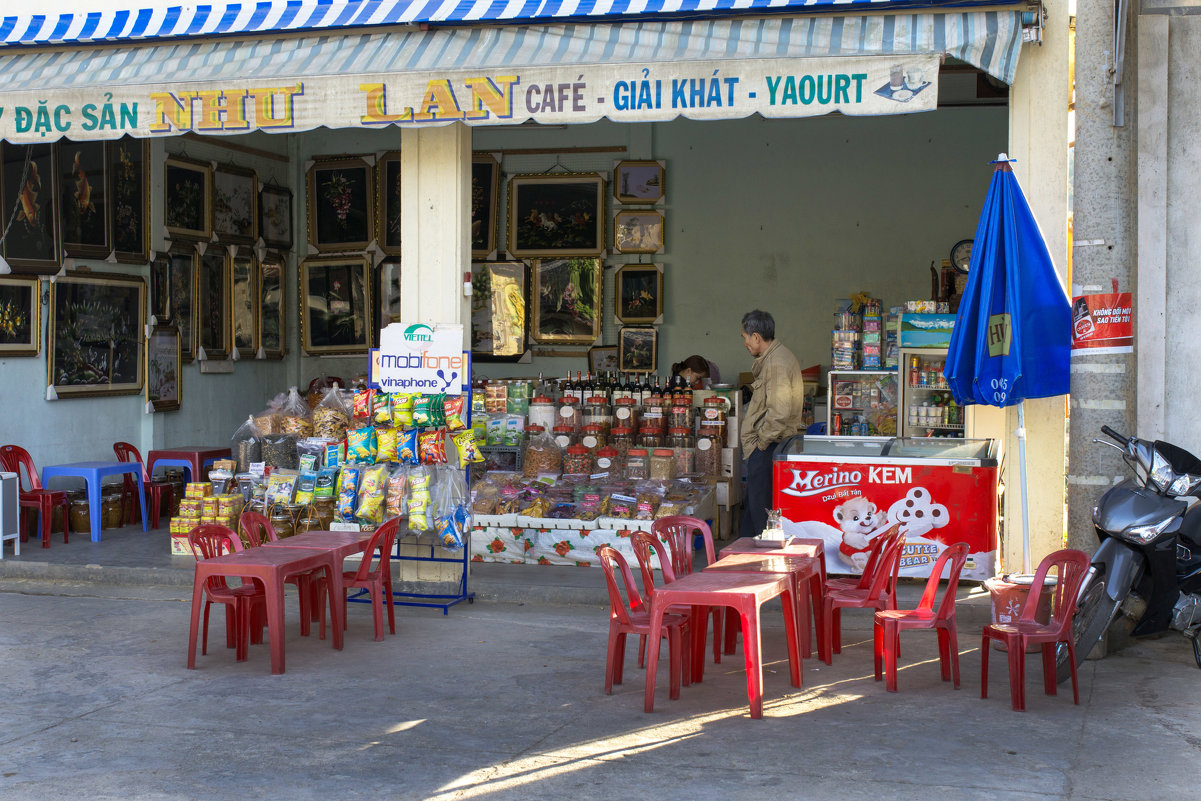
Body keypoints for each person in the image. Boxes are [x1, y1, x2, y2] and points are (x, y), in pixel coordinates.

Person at [738, 310, 806, 538]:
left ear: (756, 337)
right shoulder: (774, 359)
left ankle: (760, 562)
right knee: (753, 508)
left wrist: (762, 444)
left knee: (761, 511)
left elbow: (778, 413)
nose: (745, 343)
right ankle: (742, 556)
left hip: (769, 446)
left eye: (745, 337)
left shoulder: (776, 363)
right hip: (768, 446)